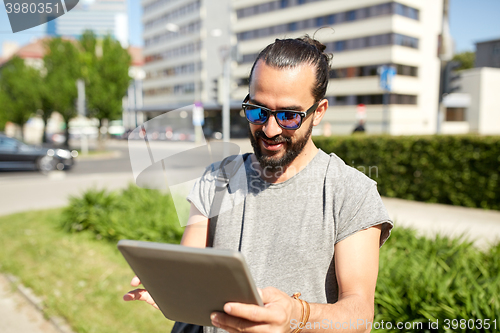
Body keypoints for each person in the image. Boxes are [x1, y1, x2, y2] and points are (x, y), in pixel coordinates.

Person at [124, 36, 393, 333]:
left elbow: (359, 315)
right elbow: (191, 271)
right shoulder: (216, 179)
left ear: (319, 112)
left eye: (289, 116)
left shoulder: (351, 192)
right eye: (258, 111)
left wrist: (297, 315)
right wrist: (171, 290)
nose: (270, 129)